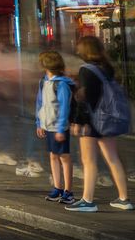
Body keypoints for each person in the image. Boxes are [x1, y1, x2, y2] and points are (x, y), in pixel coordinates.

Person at [65, 35, 132, 212]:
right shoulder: (106, 68)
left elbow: (84, 97)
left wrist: (80, 121)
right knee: (113, 158)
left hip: (92, 120)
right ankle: (124, 198)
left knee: (89, 161)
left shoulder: (86, 70)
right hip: (108, 118)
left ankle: (88, 200)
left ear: (84, 50)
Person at [35, 50, 75, 205]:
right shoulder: (44, 81)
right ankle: (58, 187)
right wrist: (39, 123)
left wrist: (60, 129)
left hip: (59, 126)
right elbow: (40, 103)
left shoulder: (61, 84)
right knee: (53, 155)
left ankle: (68, 191)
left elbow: (64, 107)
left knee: (64, 157)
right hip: (48, 124)